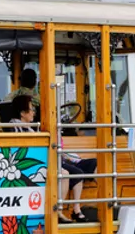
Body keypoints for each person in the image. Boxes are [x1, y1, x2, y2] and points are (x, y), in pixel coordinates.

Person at [12, 95, 90, 223]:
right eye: (31, 109)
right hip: (33, 164)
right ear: (22, 113)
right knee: (64, 174)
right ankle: (58, 212)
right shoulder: (18, 128)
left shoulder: (28, 127)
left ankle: (74, 210)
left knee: (77, 173)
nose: (33, 113)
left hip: (45, 159)